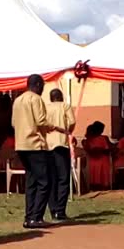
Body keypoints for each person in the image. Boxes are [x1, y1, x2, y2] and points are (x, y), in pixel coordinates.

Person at [12, 74, 55, 229]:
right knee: (45, 182)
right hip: (35, 145)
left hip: (21, 145)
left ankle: (29, 217)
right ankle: (36, 217)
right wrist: (53, 127)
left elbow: (13, 122)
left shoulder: (17, 100)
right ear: (37, 85)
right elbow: (41, 121)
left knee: (31, 182)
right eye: (42, 86)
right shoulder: (36, 99)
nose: (43, 89)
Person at [45, 89, 75, 222]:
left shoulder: (45, 107)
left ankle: (53, 210)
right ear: (61, 97)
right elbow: (72, 121)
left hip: (47, 145)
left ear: (51, 98)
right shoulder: (65, 106)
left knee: (51, 179)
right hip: (61, 144)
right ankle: (60, 211)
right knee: (63, 178)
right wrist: (68, 130)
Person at [83, 121, 113, 191]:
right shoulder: (103, 138)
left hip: (91, 161)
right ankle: (106, 184)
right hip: (103, 160)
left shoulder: (88, 140)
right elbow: (107, 149)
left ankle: (94, 185)